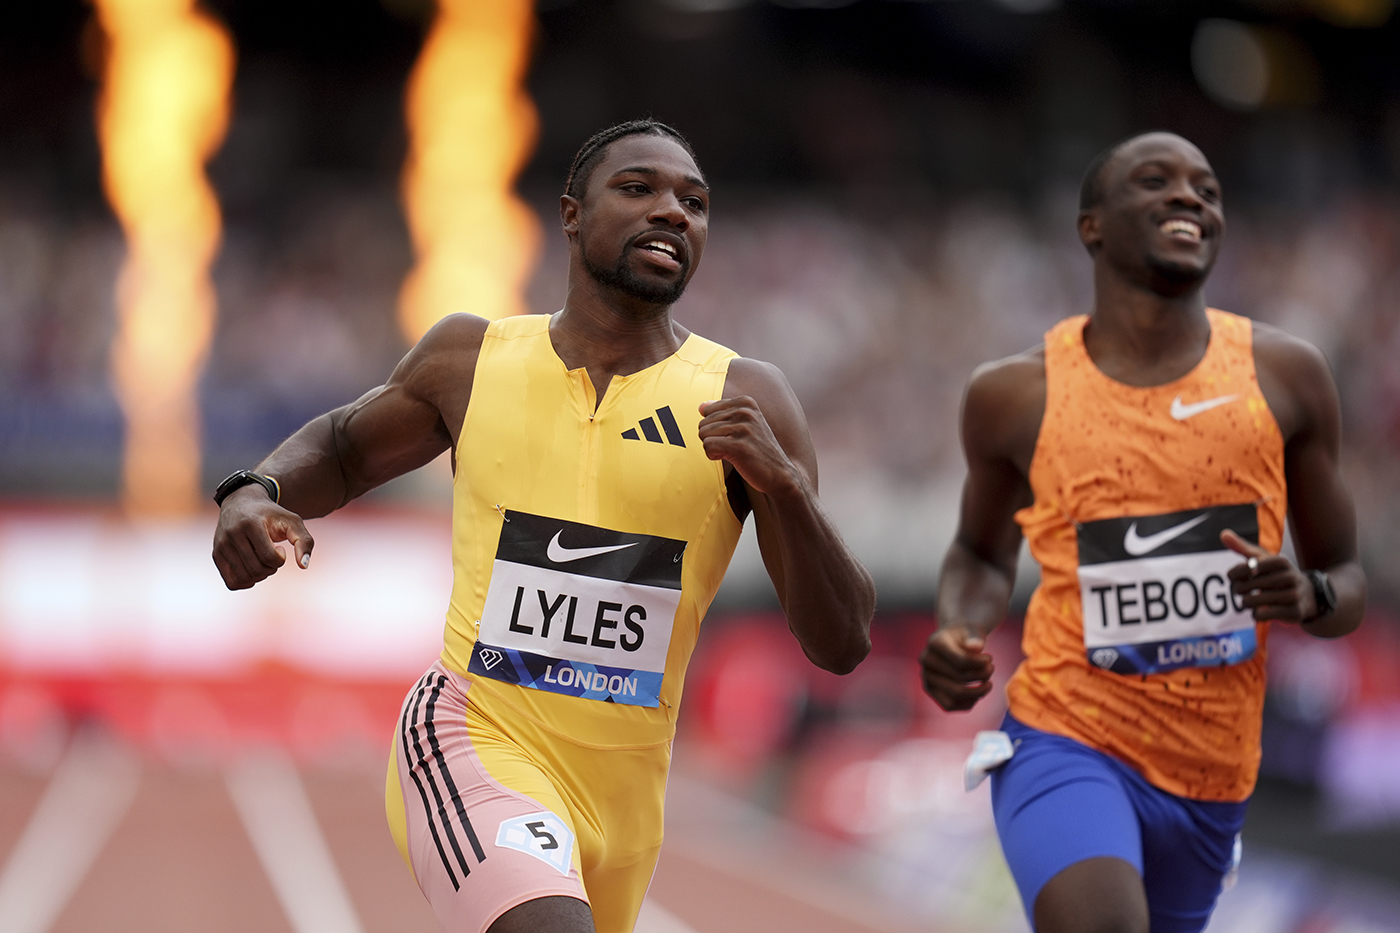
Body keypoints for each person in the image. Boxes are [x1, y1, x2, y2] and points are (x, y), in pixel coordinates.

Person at [211, 119, 875, 933]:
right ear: (570, 214)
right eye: (638, 189)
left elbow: (840, 641)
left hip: (626, 801)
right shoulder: (473, 358)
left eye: (694, 202)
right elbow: (345, 447)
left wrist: (785, 492)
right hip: (472, 733)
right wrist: (254, 488)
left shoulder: (745, 398)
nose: (672, 211)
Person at [920, 131, 1365, 933]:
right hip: (1066, 737)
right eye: (1156, 181)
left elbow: (1349, 586)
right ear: (1092, 226)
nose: (1189, 196)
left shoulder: (1286, 375)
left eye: (1207, 188)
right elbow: (982, 552)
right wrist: (960, 624)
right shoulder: (1016, 392)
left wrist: (1308, 592)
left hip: (1212, 775)